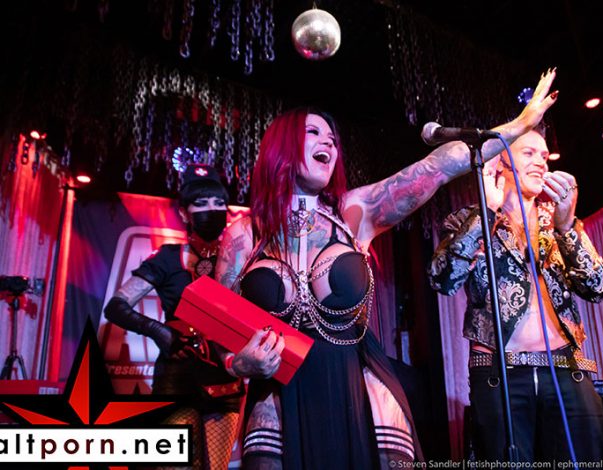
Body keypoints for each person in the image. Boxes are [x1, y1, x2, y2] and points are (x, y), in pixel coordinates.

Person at [216, 69, 559, 469]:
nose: (328, 142)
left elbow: (437, 167)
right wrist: (238, 364)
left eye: (332, 138)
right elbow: (220, 331)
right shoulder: (244, 234)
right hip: (278, 396)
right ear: (282, 145)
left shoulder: (353, 213)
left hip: (356, 389)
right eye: (313, 133)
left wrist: (518, 126)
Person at [428, 127, 603, 462]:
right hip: (499, 373)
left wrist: (567, 227)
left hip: (566, 369)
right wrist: (486, 213)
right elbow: (443, 279)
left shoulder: (557, 221)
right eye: (529, 153)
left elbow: (598, 287)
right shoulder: (467, 220)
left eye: (544, 156)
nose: (541, 162)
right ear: (499, 163)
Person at [104, 164, 242, 469]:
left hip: (224, 378)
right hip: (177, 375)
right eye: (201, 203)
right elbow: (115, 306)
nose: (211, 210)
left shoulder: (240, 258)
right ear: (184, 212)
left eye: (219, 202)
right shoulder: (167, 257)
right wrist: (157, 331)